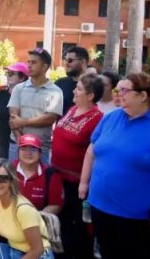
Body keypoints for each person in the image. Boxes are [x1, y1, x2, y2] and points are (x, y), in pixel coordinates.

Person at [79, 72, 150, 259]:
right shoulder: (112, 117)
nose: (118, 94)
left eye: (124, 90)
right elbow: (92, 149)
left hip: (137, 217)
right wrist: (84, 183)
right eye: (118, 89)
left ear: (143, 96)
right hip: (101, 208)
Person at [51, 74, 104, 259]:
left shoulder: (98, 118)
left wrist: (84, 181)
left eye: (79, 89)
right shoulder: (73, 109)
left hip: (77, 183)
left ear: (91, 96)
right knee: (60, 220)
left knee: (78, 226)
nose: (74, 90)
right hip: (58, 176)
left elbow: (95, 153)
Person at [8, 48, 63, 163]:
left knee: (40, 180)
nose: (29, 65)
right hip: (17, 145)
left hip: (41, 148)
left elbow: (50, 118)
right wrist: (21, 143)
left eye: (33, 62)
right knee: (14, 180)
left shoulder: (55, 91)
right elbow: (13, 119)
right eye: (28, 62)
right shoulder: (19, 88)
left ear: (44, 67)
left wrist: (23, 121)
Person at [0, 62, 29, 160]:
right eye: (7, 73)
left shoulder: (27, 96)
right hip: (1, 142)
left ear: (22, 77)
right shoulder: (2, 93)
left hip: (20, 143)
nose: (7, 76)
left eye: (11, 74)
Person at [14, 134, 63, 215]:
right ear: (18, 152)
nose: (28, 153)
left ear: (40, 153)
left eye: (33, 149)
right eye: (24, 148)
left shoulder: (51, 175)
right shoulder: (8, 170)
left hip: (38, 222)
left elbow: (55, 205)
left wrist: (35, 219)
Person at [55, 46, 89, 116]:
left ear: (83, 62)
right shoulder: (60, 83)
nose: (66, 64)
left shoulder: (95, 85)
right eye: (66, 60)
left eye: (70, 60)